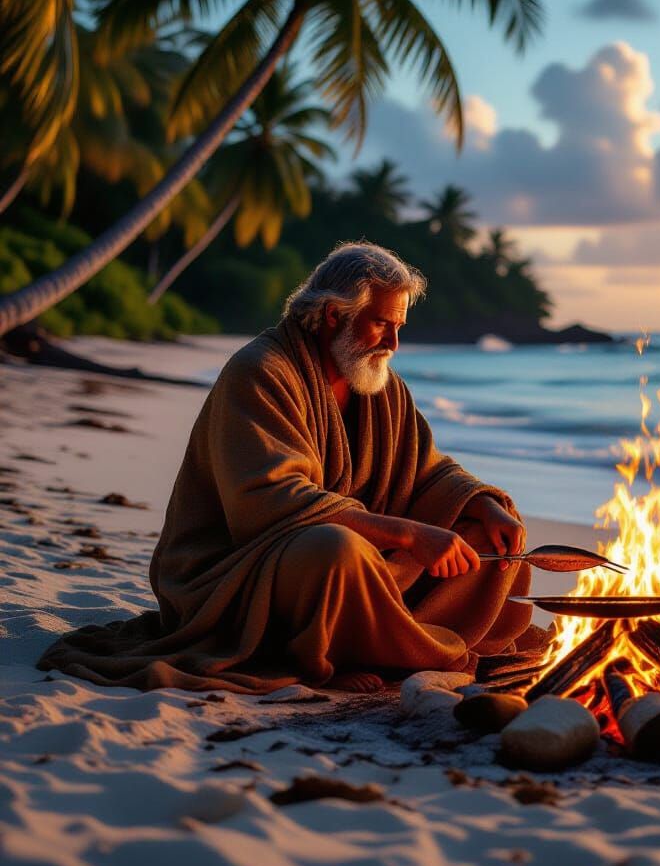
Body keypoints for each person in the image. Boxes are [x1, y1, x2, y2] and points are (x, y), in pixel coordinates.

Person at [39, 243, 534, 693]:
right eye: (381, 323)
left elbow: (425, 471)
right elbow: (271, 500)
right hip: (237, 572)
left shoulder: (381, 386)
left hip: (360, 568)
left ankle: (384, 645)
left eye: (400, 326)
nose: (393, 344)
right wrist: (407, 535)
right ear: (332, 315)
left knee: (489, 538)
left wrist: (485, 504)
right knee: (337, 550)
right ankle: (384, 651)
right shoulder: (260, 370)